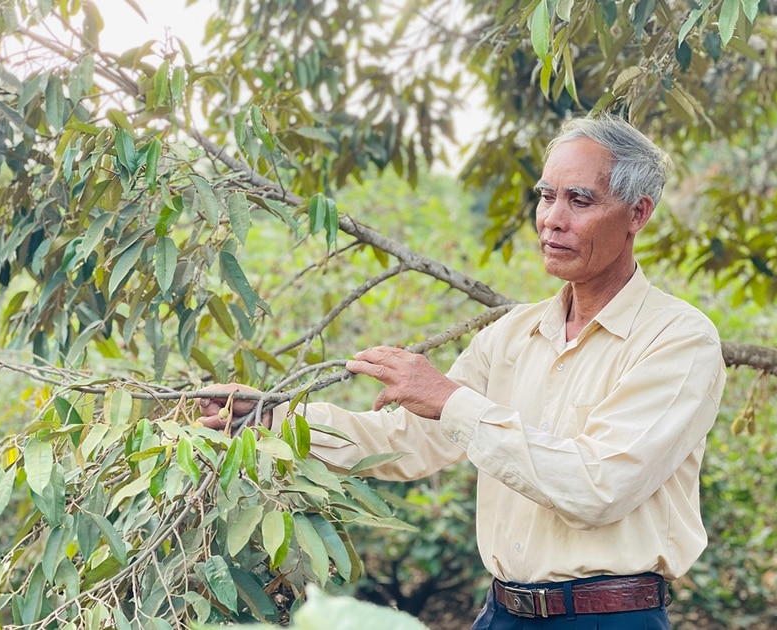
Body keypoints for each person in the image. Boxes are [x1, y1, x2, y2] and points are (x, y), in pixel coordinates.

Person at [200, 113, 727, 629]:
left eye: (580, 201)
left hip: (611, 619)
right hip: (502, 612)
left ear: (638, 214)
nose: (552, 219)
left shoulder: (679, 340)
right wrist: (271, 419)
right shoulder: (512, 334)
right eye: (546, 196)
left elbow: (600, 485)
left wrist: (450, 399)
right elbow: (409, 440)